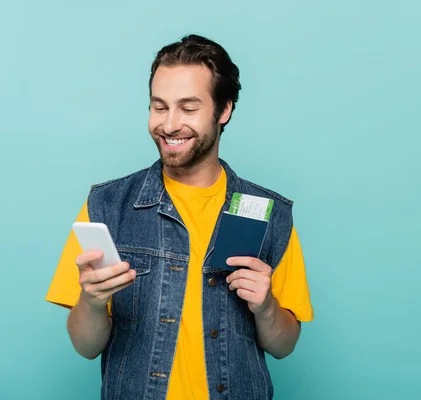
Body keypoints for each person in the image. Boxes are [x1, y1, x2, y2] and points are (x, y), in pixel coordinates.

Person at [45, 34, 313, 400]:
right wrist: (91, 302)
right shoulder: (105, 206)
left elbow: (284, 345)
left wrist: (265, 308)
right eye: (159, 107)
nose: (169, 125)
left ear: (224, 111)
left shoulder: (269, 213)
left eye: (188, 108)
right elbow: (85, 345)